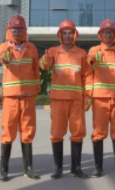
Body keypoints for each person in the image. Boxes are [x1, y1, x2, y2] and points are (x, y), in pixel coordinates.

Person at [40, 19, 92, 179]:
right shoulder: (53, 52)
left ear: (74, 35)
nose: (68, 36)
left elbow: (88, 76)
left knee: (78, 133)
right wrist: (45, 58)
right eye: (65, 33)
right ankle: (58, 168)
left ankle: (76, 168)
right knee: (57, 133)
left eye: (70, 33)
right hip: (58, 100)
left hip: (76, 100)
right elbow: (43, 66)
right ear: (60, 35)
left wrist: (88, 96)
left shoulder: (82, 54)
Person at [0, 15, 41, 181]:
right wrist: (5, 58)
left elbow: (36, 70)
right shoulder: (4, 47)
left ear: (24, 31)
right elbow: (1, 58)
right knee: (8, 131)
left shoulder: (31, 48)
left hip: (28, 95)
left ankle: (28, 169)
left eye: (19, 29)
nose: (16, 32)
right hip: (11, 97)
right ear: (9, 30)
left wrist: (36, 88)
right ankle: (4, 170)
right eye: (14, 29)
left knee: (28, 132)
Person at [87, 19, 115, 177]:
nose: (108, 35)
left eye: (110, 32)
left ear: (114, 34)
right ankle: (98, 168)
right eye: (105, 32)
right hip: (100, 98)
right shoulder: (95, 50)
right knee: (99, 132)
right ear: (101, 34)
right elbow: (89, 66)